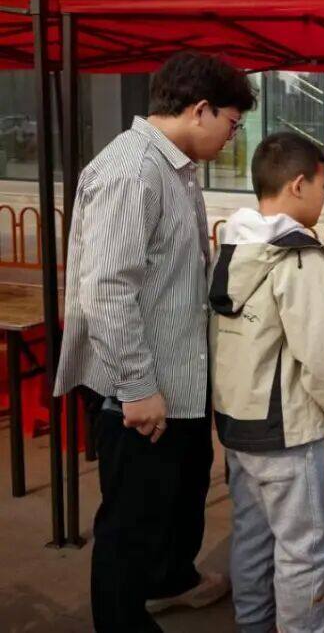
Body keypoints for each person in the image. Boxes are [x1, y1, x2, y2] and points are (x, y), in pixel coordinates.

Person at [53, 51, 257, 632]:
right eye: (231, 124)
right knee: (132, 522)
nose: (232, 136)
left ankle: (171, 579)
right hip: (139, 391)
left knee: (180, 493)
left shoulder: (174, 167)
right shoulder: (131, 171)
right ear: (200, 109)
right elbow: (107, 289)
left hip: (178, 378)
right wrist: (138, 387)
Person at [210, 132, 324, 633]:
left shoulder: (234, 245)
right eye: (323, 185)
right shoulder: (299, 257)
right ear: (299, 184)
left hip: (239, 424)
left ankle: (253, 624)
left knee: (252, 537)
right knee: (303, 550)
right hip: (288, 431)